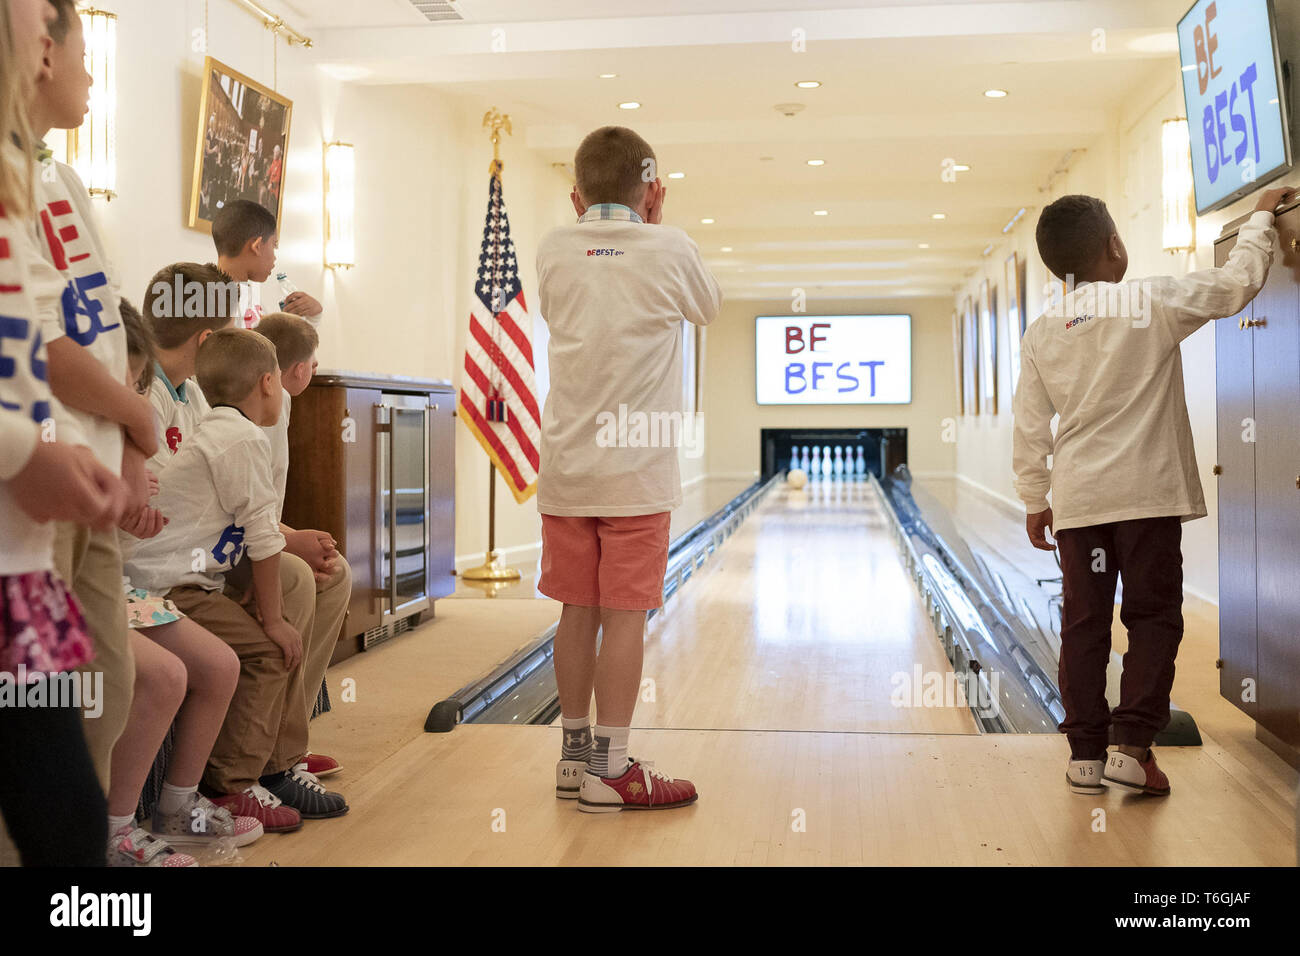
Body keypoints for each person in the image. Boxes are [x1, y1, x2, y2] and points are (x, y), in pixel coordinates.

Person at [1014, 186, 1295, 796]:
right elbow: (1238, 282)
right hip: (1148, 500)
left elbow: (1030, 426)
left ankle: (1084, 756)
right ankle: (1134, 748)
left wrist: (1036, 498)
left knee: (1084, 625)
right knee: (1152, 618)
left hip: (1081, 504)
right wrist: (1262, 216)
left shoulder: (1042, 331)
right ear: (1115, 246)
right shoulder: (1151, 298)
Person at [535, 125, 721, 812]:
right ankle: (612, 770)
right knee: (625, 616)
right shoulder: (669, 244)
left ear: (576, 193)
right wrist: (655, 225)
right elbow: (708, 307)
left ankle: (573, 755)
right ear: (653, 191)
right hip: (636, 475)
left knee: (575, 610)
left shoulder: (554, 247)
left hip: (566, 471)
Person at [124, 329, 347, 829]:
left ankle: (268, 764)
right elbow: (265, 537)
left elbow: (249, 531)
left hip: (189, 575)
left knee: (272, 633)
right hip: (168, 583)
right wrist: (273, 621)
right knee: (269, 650)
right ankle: (230, 785)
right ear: (269, 383)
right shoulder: (241, 438)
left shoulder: (220, 429)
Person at [0, 0, 122, 866]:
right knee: (64, 821)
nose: (56, 51)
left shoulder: (21, 177)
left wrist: (55, 441)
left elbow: (23, 358)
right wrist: (25, 454)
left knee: (67, 818)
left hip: (18, 554)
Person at [29, 0, 156, 801]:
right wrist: (139, 418)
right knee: (42, 718)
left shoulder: (61, 173)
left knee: (104, 693)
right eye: (85, 54)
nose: (92, 73)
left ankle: (98, 855)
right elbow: (40, 344)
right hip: (43, 472)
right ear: (44, 51)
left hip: (99, 474)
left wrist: (135, 443)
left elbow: (106, 329)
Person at [252, 312, 351, 770]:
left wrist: (293, 536)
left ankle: (294, 734)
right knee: (301, 575)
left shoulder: (282, 404)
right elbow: (239, 509)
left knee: (335, 568)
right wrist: (289, 543)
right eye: (313, 363)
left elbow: (264, 503)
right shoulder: (250, 410)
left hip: (260, 530)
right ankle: (274, 750)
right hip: (231, 543)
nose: (313, 369)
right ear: (296, 371)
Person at [209, 199, 322, 329]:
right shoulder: (219, 304)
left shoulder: (247, 297)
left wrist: (311, 317)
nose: (274, 257)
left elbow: (276, 346)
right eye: (274, 245)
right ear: (257, 246)